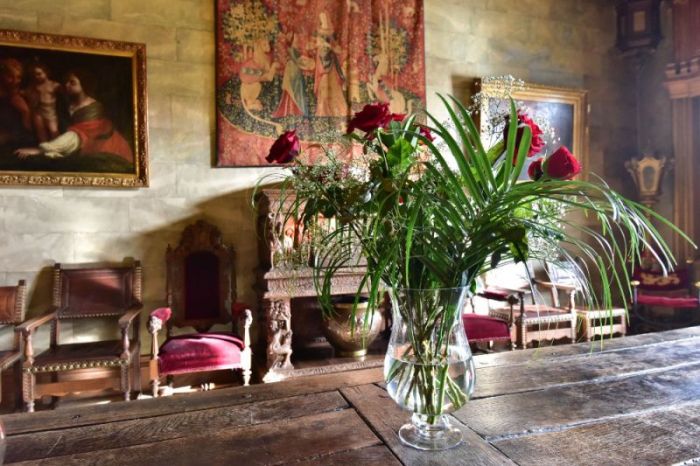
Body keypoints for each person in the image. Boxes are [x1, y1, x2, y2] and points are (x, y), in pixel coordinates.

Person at [15, 68, 133, 164]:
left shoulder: (93, 108)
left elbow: (75, 136)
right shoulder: (64, 102)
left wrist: (39, 150)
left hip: (107, 146)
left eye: (72, 82)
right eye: (66, 82)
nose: (67, 85)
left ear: (84, 85)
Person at [0, 58, 33, 150]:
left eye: (18, 77)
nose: (15, 81)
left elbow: (28, 133)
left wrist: (25, 112)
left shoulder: (23, 95)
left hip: (17, 140)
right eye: (10, 76)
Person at [24, 63, 61, 142]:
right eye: (34, 75)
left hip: (50, 112)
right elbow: (26, 93)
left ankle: (57, 146)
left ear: (46, 73)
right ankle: (44, 146)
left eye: (39, 74)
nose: (37, 76)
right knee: (40, 131)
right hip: (38, 111)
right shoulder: (33, 86)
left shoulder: (53, 85)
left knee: (53, 131)